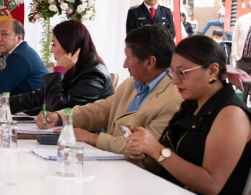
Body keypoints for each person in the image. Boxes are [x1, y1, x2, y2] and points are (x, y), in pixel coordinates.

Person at [126, 35, 251, 195]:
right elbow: (163, 165)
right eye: (172, 72)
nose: (175, 80)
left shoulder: (230, 114)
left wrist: (157, 150)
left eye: (183, 72)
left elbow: (211, 185)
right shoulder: (192, 105)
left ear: (212, 71)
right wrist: (144, 153)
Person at [38, 25, 181, 157]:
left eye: (128, 58)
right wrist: (60, 117)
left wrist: (94, 138)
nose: (124, 65)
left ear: (150, 62)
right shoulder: (132, 83)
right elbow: (100, 109)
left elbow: (146, 148)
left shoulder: (173, 99)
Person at [9, 20, 113, 113]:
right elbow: (39, 96)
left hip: (85, 134)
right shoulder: (77, 68)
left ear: (69, 45)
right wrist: (3, 104)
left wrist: (59, 71)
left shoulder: (94, 75)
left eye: (54, 44)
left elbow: (55, 108)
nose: (51, 50)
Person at [0, 18, 47, 101]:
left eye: (4, 34)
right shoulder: (7, 54)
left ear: (19, 38)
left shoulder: (20, 56)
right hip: (18, 108)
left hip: (34, 112)